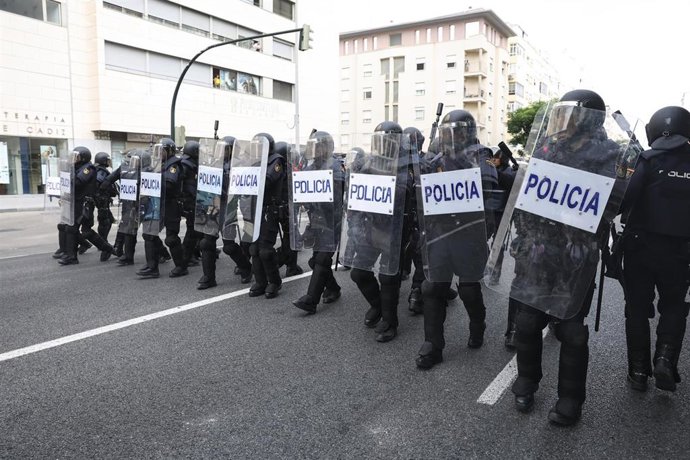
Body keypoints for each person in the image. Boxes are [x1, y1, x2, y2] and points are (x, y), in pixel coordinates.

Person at [506, 89, 624, 426]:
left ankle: (570, 398)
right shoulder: (546, 151)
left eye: (567, 116)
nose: (560, 123)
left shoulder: (609, 157)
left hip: (576, 257)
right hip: (539, 250)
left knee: (573, 332)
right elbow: (524, 197)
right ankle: (527, 380)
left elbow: (618, 202)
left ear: (586, 120)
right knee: (527, 322)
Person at [414, 110, 498, 369]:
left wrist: (457, 166)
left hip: (469, 233)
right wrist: (423, 169)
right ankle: (433, 345)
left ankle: (477, 324)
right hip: (440, 233)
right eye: (448, 131)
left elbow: (488, 187)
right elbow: (421, 190)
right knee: (432, 288)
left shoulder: (480, 156)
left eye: (458, 131)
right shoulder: (436, 156)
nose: (452, 136)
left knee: (469, 289)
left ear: (468, 133)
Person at [620, 105, 690, 392]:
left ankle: (638, 371)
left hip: (640, 248)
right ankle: (664, 359)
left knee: (636, 308)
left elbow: (625, 199)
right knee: (674, 307)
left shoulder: (646, 159)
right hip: (681, 252)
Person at [347, 121, 413, 342]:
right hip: (372, 227)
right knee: (358, 272)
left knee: (388, 276)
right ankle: (378, 305)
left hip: (396, 228)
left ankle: (390, 321)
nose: (382, 144)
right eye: (379, 140)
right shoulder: (370, 162)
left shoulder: (408, 162)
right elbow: (357, 193)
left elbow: (408, 192)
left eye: (386, 140)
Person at [291, 131, 343, 314]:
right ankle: (334, 288)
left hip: (331, 220)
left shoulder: (334, 166)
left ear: (327, 147)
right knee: (315, 261)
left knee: (322, 258)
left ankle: (310, 300)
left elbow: (336, 197)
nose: (315, 149)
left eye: (319, 146)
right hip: (316, 220)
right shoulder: (309, 168)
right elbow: (302, 191)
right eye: (313, 146)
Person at [196, 136, 253, 289]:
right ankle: (208, 277)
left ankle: (246, 268)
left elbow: (242, 189)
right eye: (219, 148)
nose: (221, 152)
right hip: (212, 207)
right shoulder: (213, 164)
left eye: (225, 149)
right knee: (206, 242)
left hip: (228, 208)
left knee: (228, 245)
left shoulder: (238, 166)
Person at [57, 146, 115, 265]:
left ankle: (108, 249)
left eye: (76, 157)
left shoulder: (88, 168)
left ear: (83, 158)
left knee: (79, 229)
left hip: (84, 204)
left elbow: (78, 183)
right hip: (75, 203)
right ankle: (71, 254)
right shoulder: (76, 168)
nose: (73, 159)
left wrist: (69, 172)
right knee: (72, 228)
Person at [248, 133, 285, 299]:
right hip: (254, 208)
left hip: (269, 210)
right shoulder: (252, 162)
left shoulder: (276, 161)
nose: (257, 149)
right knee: (254, 248)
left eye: (260, 146)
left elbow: (268, 179)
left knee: (265, 250)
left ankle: (274, 282)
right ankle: (260, 281)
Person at [275, 141, 303, 278]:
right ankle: (288, 265)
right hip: (288, 209)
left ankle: (286, 263)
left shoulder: (273, 168)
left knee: (289, 237)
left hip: (275, 209)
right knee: (292, 238)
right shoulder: (288, 170)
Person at [94, 151, 118, 261]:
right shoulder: (102, 172)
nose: (109, 162)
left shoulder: (98, 170)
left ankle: (102, 243)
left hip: (103, 200)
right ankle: (104, 245)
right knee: (105, 222)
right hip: (103, 200)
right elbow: (99, 183)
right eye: (107, 160)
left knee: (105, 220)